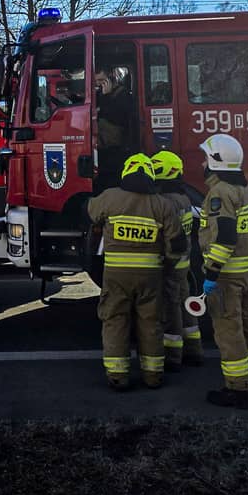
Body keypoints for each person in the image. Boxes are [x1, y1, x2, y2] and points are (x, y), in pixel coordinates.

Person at [87, 153, 181, 391]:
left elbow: (90, 211)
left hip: (116, 276)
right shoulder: (162, 205)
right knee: (151, 323)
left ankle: (118, 375)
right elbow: (177, 245)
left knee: (115, 320)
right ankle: (153, 375)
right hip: (151, 276)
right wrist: (168, 265)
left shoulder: (110, 198)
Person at [197, 133, 248, 409]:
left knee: (229, 331)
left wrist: (211, 273)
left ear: (216, 162)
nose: (202, 163)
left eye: (206, 158)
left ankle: (237, 389)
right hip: (246, 273)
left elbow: (225, 238)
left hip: (226, 276)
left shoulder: (220, 193)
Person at [151, 150, 204, 371]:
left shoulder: (165, 202)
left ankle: (173, 356)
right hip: (183, 263)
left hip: (170, 263)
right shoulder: (184, 198)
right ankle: (194, 349)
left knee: (170, 308)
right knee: (185, 304)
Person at [94, 66, 136, 192]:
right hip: (103, 145)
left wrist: (106, 97)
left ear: (111, 78)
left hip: (116, 148)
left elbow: (113, 117)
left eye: (101, 80)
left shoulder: (123, 95)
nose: (98, 84)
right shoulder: (101, 93)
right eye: (96, 81)